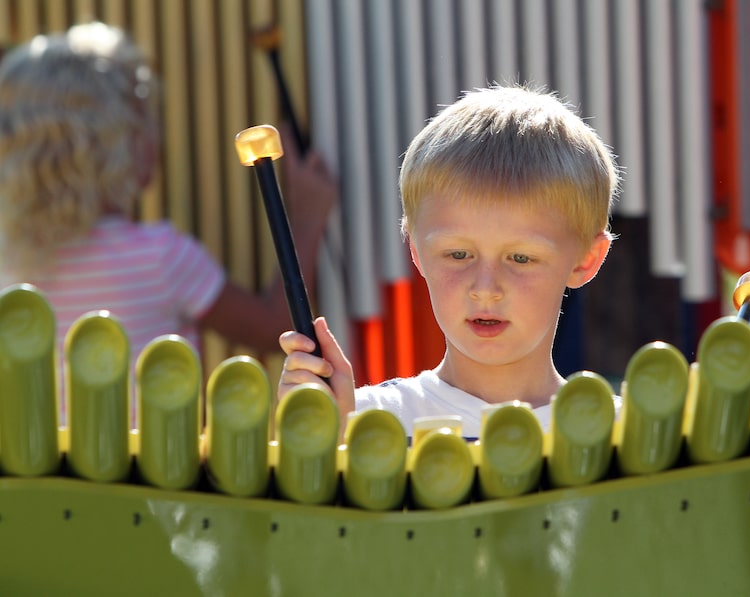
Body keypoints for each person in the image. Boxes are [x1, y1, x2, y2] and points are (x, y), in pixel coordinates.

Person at [0, 22, 337, 421]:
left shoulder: (7, 260)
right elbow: (277, 330)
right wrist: (307, 217)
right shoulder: (160, 257)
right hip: (154, 479)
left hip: (38, 481)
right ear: (117, 144)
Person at [278, 83, 620, 438]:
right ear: (416, 250)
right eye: (458, 254)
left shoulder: (628, 435)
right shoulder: (363, 423)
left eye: (520, 258)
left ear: (586, 260)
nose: (485, 290)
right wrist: (321, 448)